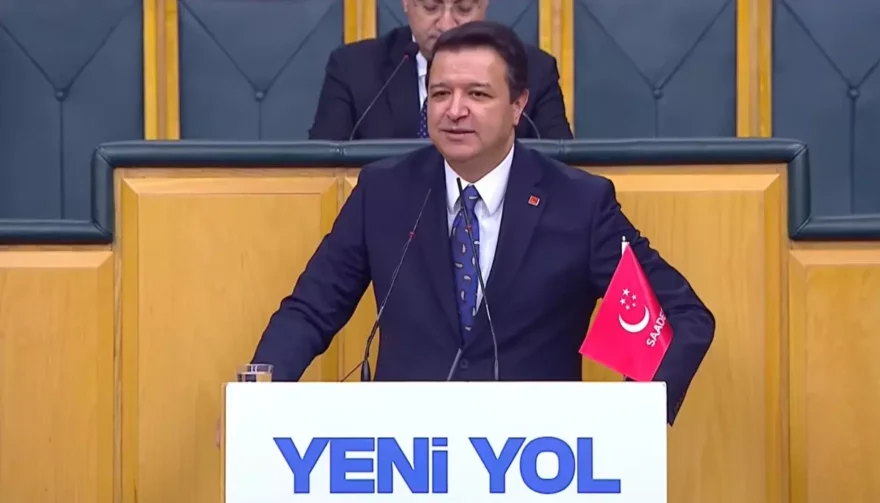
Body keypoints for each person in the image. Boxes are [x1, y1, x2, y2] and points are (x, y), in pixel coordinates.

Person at [253, 20, 714, 425]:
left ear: (517, 105)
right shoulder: (384, 192)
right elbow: (310, 310)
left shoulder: (579, 204)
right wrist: (255, 402)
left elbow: (682, 318)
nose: (454, 110)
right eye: (440, 94)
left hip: (537, 460)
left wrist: (632, 419)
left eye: (477, 94)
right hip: (407, 455)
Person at [308, 0, 573, 141]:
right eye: (431, 7)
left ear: (484, 4)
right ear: (406, 3)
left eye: (463, 8)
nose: (447, 24)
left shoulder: (533, 69)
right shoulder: (353, 68)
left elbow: (561, 165)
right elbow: (321, 168)